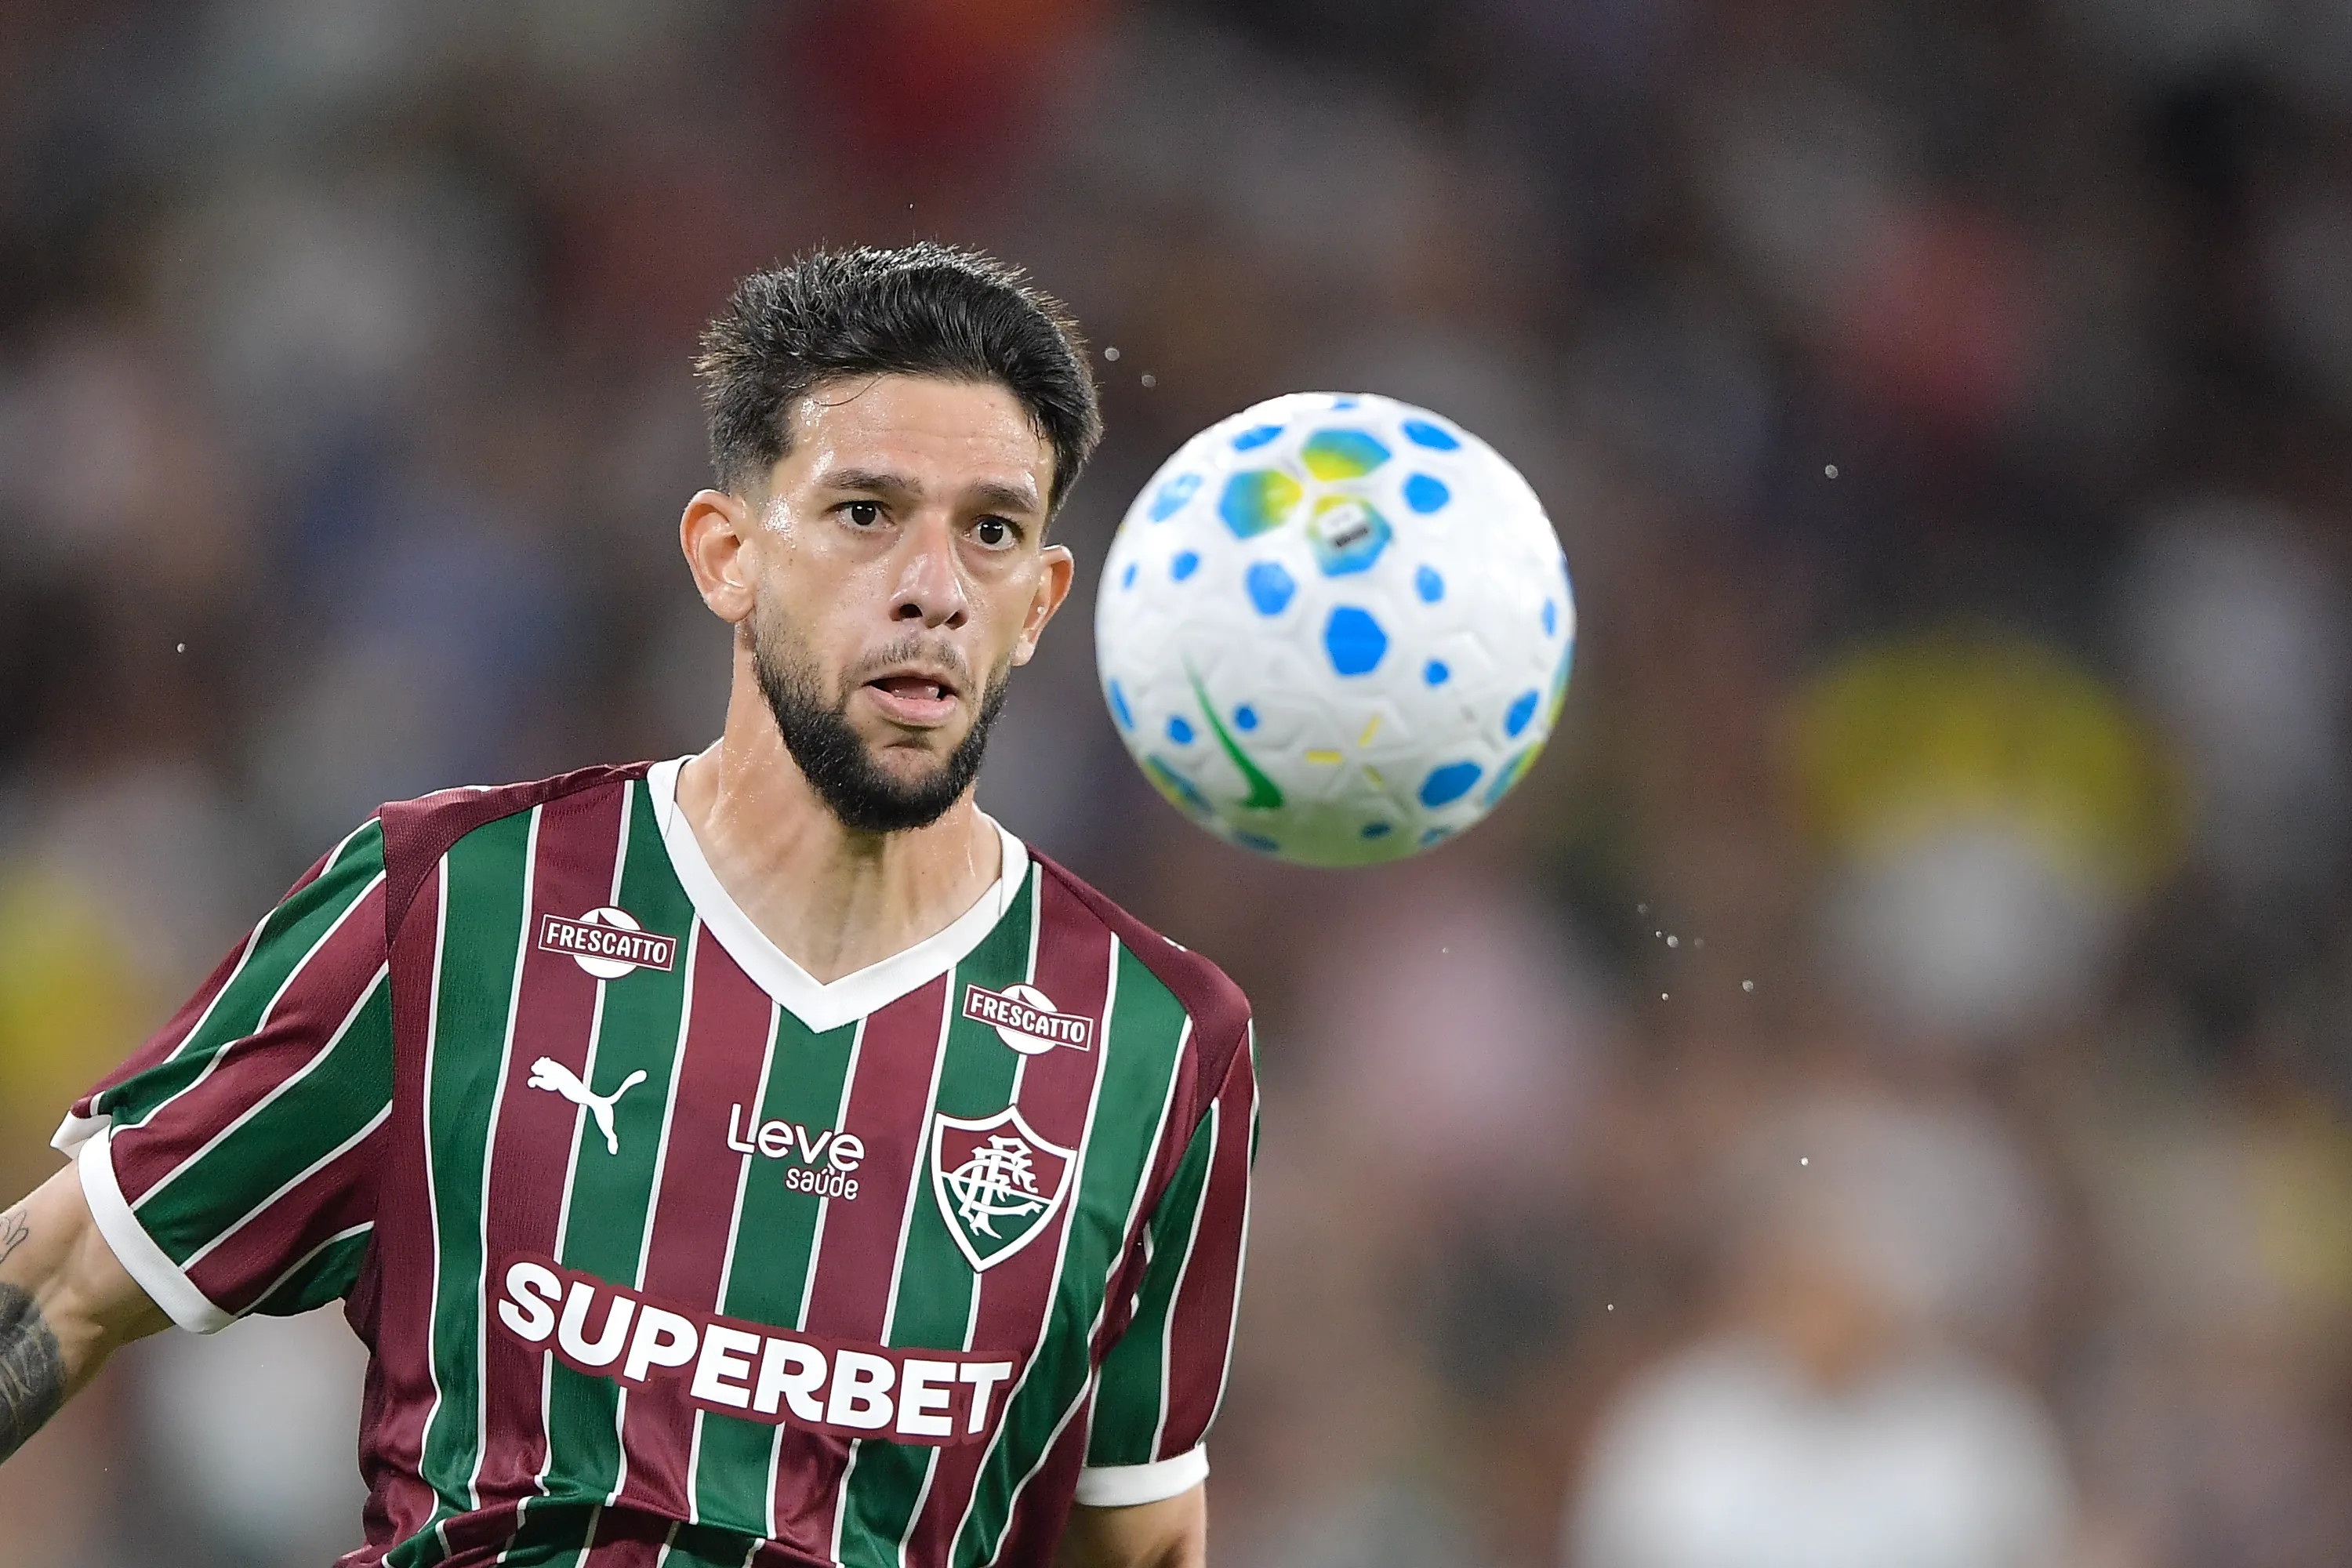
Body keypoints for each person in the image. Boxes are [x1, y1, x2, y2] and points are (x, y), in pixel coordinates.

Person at [0, 243, 1257, 1568]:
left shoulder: (1158, 1044)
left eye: (991, 531)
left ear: (1041, 604)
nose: (934, 587)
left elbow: (1139, 1536)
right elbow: (60, 1288)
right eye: (867, 513)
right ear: (727, 558)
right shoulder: (456, 907)